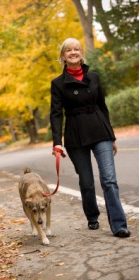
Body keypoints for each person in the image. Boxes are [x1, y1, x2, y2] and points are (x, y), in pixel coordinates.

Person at [50, 37, 131, 238]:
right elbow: (56, 113)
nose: (73, 52)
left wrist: (111, 137)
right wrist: (57, 143)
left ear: (81, 53)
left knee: (109, 180)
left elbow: (103, 107)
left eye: (76, 49)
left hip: (99, 130)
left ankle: (119, 225)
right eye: (69, 50)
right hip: (75, 135)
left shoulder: (94, 77)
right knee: (86, 182)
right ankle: (92, 216)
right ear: (63, 56)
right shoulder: (58, 83)